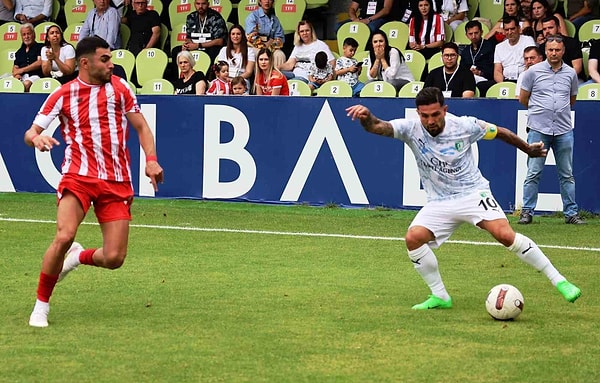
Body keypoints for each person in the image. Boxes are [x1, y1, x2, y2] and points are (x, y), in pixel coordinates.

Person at [345, 86, 582, 310]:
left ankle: (559, 281)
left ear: (444, 110)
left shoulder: (465, 125)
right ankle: (440, 296)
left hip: (472, 194)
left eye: (435, 114)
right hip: (439, 201)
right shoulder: (410, 128)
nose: (430, 121)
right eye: (425, 116)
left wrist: (527, 149)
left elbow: (501, 132)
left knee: (504, 234)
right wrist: (366, 116)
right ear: (418, 113)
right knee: (413, 238)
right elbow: (378, 126)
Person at [24, 36, 164, 328]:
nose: (111, 64)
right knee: (63, 236)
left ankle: (77, 257)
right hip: (78, 176)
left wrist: (151, 159)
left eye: (111, 58)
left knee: (114, 258)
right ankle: (41, 307)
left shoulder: (121, 88)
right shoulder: (64, 94)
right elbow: (31, 132)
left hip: (116, 181)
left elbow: (142, 127)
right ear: (85, 63)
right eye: (105, 59)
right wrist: (37, 138)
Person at [518, 34, 584, 225]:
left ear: (563, 51)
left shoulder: (571, 73)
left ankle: (571, 213)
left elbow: (571, 100)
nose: (554, 53)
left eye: (557, 50)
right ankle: (527, 211)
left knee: (567, 174)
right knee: (533, 172)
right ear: (545, 51)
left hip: (563, 129)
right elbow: (523, 99)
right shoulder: (533, 72)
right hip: (539, 129)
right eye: (550, 50)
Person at [172, 0, 227, 68]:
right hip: (195, 45)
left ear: (208, 4)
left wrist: (198, 45)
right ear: (194, 4)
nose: (200, 6)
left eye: (203, 4)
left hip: (209, 47)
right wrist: (188, 45)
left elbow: (219, 41)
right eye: (198, 4)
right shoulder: (191, 17)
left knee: (215, 51)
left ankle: (209, 76)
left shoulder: (216, 17)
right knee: (176, 51)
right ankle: (177, 77)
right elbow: (188, 37)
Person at [367, 29, 414, 94]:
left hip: (403, 80)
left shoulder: (393, 52)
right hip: (385, 81)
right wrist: (377, 60)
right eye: (375, 42)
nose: (378, 44)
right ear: (372, 44)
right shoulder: (371, 54)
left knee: (391, 83)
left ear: (385, 42)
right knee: (368, 84)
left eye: (381, 41)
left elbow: (392, 75)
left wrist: (382, 59)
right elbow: (370, 77)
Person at [537, 16, 583, 81]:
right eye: (544, 29)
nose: (547, 31)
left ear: (558, 28)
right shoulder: (542, 47)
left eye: (550, 28)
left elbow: (577, 68)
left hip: (573, 80)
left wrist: (561, 80)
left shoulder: (572, 42)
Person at [493, 16, 535, 83]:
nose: (509, 32)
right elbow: (497, 71)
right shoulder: (499, 47)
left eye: (512, 29)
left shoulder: (528, 40)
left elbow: (532, 63)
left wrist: (520, 82)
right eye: (507, 30)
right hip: (505, 81)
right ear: (503, 31)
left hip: (525, 79)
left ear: (519, 28)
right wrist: (504, 85)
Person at [459, 20, 496, 96]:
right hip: (469, 79)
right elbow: (462, 69)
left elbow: (494, 68)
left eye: (476, 33)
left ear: (481, 32)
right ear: (466, 35)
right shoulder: (465, 51)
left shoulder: (490, 47)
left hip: (487, 79)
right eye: (470, 34)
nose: (473, 36)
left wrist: (480, 73)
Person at [244, 0, 285, 67]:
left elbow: (280, 38)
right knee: (257, 54)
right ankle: (258, 77)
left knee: (280, 55)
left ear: (273, 2)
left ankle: (276, 76)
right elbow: (251, 37)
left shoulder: (275, 19)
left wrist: (271, 46)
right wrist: (265, 45)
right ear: (260, 2)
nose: (267, 1)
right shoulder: (253, 16)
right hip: (255, 47)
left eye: (270, 0)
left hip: (271, 47)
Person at [217, 24, 255, 88]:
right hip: (226, 78)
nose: (235, 36)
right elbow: (220, 69)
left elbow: (249, 72)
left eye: (238, 34)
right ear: (230, 36)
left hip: (241, 79)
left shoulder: (249, 51)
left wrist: (234, 80)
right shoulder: (224, 50)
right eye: (233, 34)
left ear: (242, 36)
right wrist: (227, 79)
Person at [12, 23, 43, 92]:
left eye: (28, 34)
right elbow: (15, 68)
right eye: (24, 34)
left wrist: (22, 70)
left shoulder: (40, 47)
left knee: (26, 84)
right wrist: (16, 75)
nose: (26, 37)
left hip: (36, 76)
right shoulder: (19, 52)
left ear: (34, 34)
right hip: (22, 77)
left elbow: (39, 63)